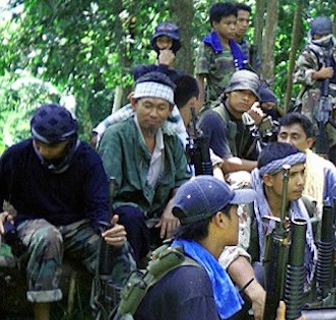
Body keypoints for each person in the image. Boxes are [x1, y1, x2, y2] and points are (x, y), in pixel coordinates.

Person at [0, 104, 134, 320]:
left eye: (51, 146)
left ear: (68, 141)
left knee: (114, 248)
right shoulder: (17, 156)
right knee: (48, 238)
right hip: (32, 222)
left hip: (76, 224)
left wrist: (109, 231)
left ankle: (117, 313)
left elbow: (99, 206)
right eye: (38, 143)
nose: (43, 150)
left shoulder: (88, 159)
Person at [219, 142, 336, 319]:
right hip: (259, 285)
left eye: (303, 172)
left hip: (298, 284)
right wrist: (257, 294)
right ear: (268, 179)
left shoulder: (303, 206)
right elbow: (228, 252)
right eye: (292, 175)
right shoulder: (248, 206)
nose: (301, 181)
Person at [133, 175, 292, 320]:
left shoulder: (182, 253)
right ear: (220, 220)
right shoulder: (194, 282)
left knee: (257, 272)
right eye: (236, 211)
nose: (240, 218)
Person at [98, 72, 192, 265]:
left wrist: (173, 205)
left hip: (158, 218)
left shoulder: (171, 141)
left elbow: (183, 180)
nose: (154, 114)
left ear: (170, 110)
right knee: (131, 217)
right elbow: (106, 191)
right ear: (134, 104)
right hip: (125, 219)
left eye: (161, 108)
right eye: (147, 106)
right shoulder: (116, 136)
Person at [92, 22, 187, 147]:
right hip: (141, 128)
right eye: (160, 41)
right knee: (99, 134)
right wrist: (163, 66)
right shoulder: (141, 71)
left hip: (170, 130)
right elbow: (149, 91)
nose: (164, 46)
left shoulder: (181, 79)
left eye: (168, 41)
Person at [277, 113, 336, 226]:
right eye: (283, 136)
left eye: (294, 137)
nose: (287, 142)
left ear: (309, 143)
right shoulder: (269, 171)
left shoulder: (326, 171)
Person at [198, 69, 267, 186]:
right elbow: (225, 164)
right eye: (240, 91)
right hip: (208, 179)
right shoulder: (214, 118)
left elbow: (255, 155)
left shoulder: (247, 121)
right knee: (245, 179)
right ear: (228, 93)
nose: (246, 98)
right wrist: (262, 165)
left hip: (227, 176)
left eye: (251, 94)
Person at [293, 16, 336, 151]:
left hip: (335, 101)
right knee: (310, 137)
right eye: (319, 35)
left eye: (324, 35)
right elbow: (297, 75)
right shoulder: (308, 52)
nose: (322, 38)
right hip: (311, 102)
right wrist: (317, 74)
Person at [196, 2, 250, 106]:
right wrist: (199, 105)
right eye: (228, 23)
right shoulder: (208, 46)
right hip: (216, 104)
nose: (233, 27)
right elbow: (200, 78)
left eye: (234, 23)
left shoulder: (237, 48)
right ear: (215, 24)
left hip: (236, 104)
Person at [234, 3, 262, 73]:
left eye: (247, 21)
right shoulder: (219, 46)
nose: (244, 25)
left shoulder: (249, 48)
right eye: (240, 20)